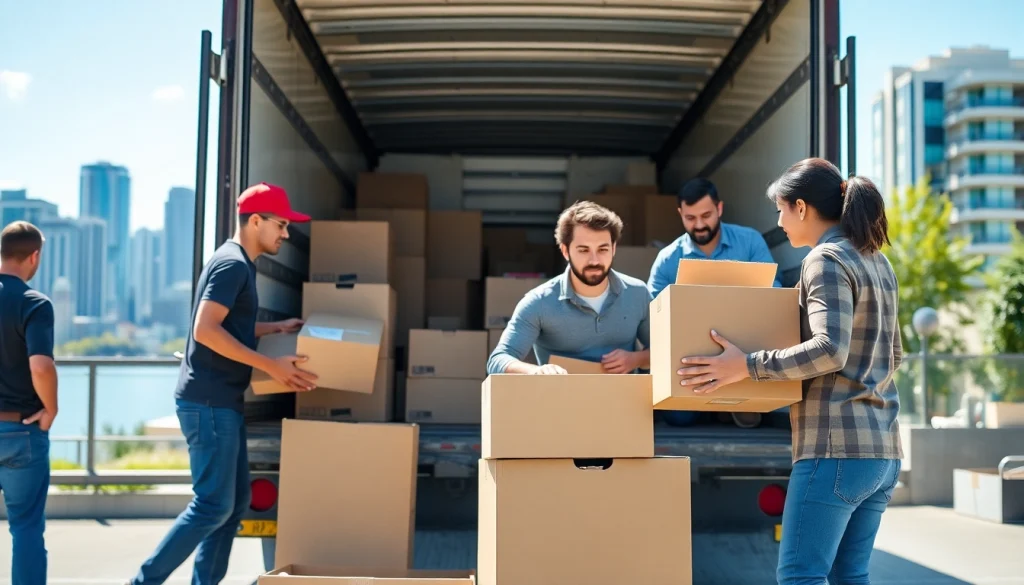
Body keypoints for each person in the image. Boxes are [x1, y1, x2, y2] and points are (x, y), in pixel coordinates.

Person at [676, 158, 903, 585]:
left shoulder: (825, 260)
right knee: (850, 576)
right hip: (883, 450)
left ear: (802, 207)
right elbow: (895, 354)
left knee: (801, 575)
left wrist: (743, 366)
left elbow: (828, 350)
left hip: (834, 448)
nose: (778, 222)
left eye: (780, 209)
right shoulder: (877, 261)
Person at [128, 183, 319, 585]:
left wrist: (272, 327)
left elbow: (229, 325)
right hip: (210, 404)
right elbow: (206, 330)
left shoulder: (238, 264)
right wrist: (271, 365)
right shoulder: (232, 264)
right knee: (213, 505)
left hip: (221, 403)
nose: (286, 234)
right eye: (281, 225)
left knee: (233, 506)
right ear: (255, 221)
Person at [647, 177, 781, 428]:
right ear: (680, 214)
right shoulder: (667, 259)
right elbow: (653, 316)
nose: (699, 225)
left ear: (719, 209)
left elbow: (775, 295)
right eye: (690, 218)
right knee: (678, 418)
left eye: (706, 215)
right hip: (691, 355)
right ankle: (720, 409)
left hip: (743, 345)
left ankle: (731, 402)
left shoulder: (750, 242)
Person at [486, 201, 651, 375]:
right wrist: (537, 372)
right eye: (583, 250)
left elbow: (666, 351)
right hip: (561, 400)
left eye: (602, 249)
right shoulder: (538, 302)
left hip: (624, 399)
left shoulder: (638, 293)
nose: (594, 260)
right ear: (565, 251)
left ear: (614, 249)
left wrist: (636, 359)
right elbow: (498, 360)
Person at [0, 221, 58, 585]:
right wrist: (51, 409)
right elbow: (41, 366)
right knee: (25, 530)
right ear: (34, 257)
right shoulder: (34, 303)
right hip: (21, 431)